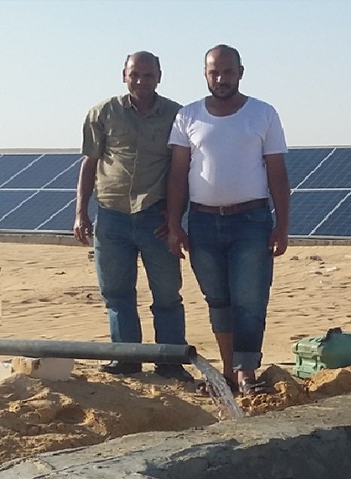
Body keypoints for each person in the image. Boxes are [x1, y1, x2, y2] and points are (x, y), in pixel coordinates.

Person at [166, 44, 290, 395]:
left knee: (250, 299)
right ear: (205, 74)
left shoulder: (263, 114)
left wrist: (282, 224)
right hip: (203, 223)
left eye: (227, 72)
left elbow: (278, 173)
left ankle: (247, 372)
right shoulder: (187, 117)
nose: (221, 79)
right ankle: (228, 374)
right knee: (218, 299)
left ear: (240, 72)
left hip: (251, 221)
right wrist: (175, 224)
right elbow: (177, 174)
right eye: (213, 72)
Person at [73, 51, 192, 382]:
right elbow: (90, 163)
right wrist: (81, 212)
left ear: (159, 76)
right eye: (134, 75)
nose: (141, 81)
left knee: (167, 294)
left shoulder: (176, 115)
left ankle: (169, 360)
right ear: (123, 76)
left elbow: (183, 169)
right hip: (111, 217)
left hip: (156, 217)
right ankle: (126, 358)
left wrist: (174, 218)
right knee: (116, 293)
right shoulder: (103, 113)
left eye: (148, 75)